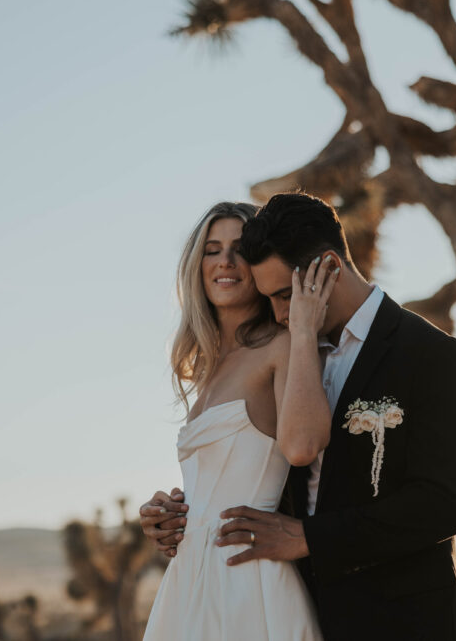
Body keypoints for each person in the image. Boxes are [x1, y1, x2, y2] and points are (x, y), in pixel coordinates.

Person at [142, 193, 456, 641]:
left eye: (286, 295)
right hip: (296, 608)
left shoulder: (430, 354)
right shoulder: (292, 351)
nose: (278, 313)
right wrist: (186, 517)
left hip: (407, 620)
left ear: (328, 268)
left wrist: (311, 537)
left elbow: (442, 505)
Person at [141, 201, 336, 640]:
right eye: (212, 250)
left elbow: (303, 444)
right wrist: (165, 514)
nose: (225, 262)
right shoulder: (209, 367)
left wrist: (304, 332)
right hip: (189, 579)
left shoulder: (281, 347)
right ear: (197, 265)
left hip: (248, 578)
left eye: (238, 249)